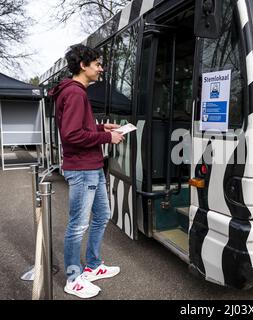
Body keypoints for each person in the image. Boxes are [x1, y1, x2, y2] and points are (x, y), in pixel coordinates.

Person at [50, 44, 124, 299]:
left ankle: (92, 266)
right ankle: (73, 279)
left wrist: (101, 128)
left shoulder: (76, 92)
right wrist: (107, 139)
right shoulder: (75, 93)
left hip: (90, 166)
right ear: (83, 65)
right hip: (83, 170)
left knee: (102, 215)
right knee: (78, 225)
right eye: (97, 64)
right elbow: (71, 135)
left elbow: (79, 127)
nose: (101, 68)